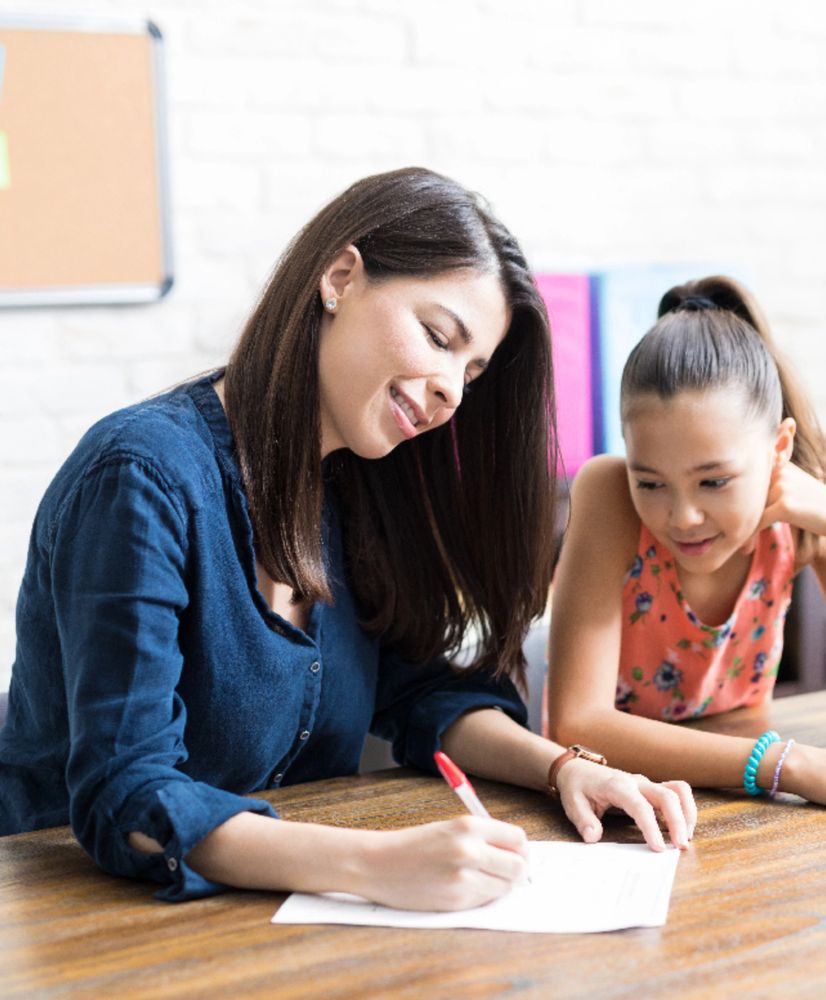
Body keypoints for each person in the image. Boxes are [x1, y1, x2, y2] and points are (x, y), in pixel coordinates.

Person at [0, 168, 696, 907]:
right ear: (340, 277)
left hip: (268, 923)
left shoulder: (356, 487)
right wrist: (373, 865)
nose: (451, 392)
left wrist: (565, 770)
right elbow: (128, 794)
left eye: (471, 372)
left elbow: (423, 689)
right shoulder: (142, 478)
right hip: (69, 915)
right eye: (438, 337)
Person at [547, 275, 826, 823]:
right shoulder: (608, 493)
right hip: (618, 811)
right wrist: (789, 765)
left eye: (714, 481)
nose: (682, 517)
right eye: (650, 481)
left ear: (780, 448)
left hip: (740, 811)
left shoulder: (801, 520)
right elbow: (578, 724)